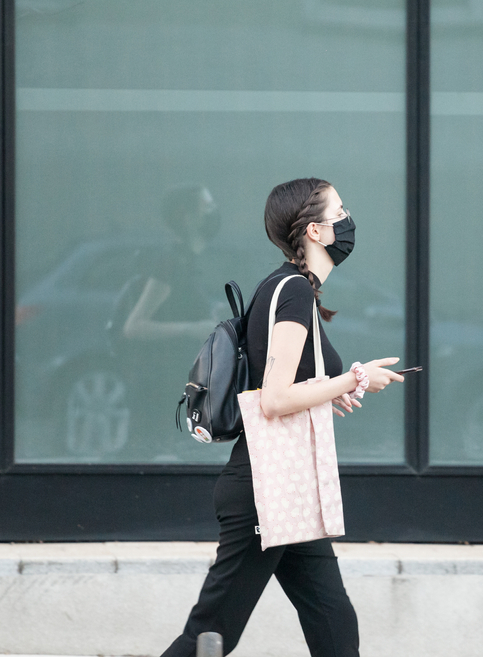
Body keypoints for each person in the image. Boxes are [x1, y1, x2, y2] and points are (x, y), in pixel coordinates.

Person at [161, 178, 404, 657]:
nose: (348, 220)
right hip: (263, 491)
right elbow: (272, 400)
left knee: (334, 622)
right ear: (315, 231)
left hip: (287, 488)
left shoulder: (292, 289)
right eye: (341, 211)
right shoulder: (291, 291)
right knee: (209, 638)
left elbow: (286, 385)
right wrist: (355, 379)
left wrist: (326, 391)